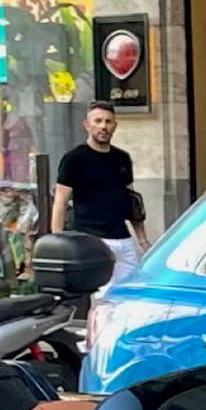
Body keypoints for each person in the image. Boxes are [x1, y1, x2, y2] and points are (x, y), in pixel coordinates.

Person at [51, 102, 148, 283]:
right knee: (102, 298)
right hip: (93, 239)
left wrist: (142, 239)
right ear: (87, 125)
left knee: (130, 293)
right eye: (98, 121)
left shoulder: (122, 158)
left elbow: (132, 201)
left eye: (108, 122)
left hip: (123, 238)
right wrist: (57, 240)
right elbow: (60, 201)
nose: (103, 126)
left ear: (115, 126)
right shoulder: (74, 159)